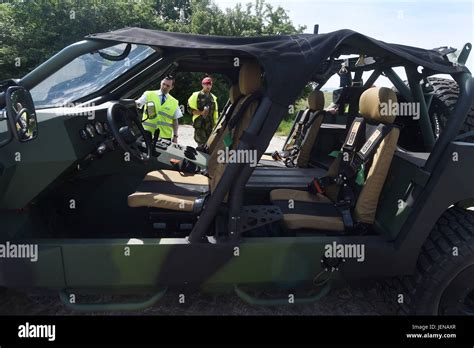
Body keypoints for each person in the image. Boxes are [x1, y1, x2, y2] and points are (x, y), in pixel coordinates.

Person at [135, 76, 182, 143]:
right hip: (147, 133)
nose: (165, 87)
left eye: (168, 86)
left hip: (164, 137)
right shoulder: (148, 94)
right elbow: (137, 104)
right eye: (163, 84)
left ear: (172, 87)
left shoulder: (174, 102)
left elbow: (175, 120)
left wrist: (175, 136)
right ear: (161, 83)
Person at [187, 77, 218, 148]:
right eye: (206, 84)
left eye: (210, 84)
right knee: (200, 146)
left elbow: (215, 112)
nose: (208, 86)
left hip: (210, 126)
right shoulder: (196, 95)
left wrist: (215, 124)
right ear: (202, 85)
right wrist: (201, 113)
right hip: (200, 126)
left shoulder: (213, 98)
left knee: (209, 147)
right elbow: (189, 109)